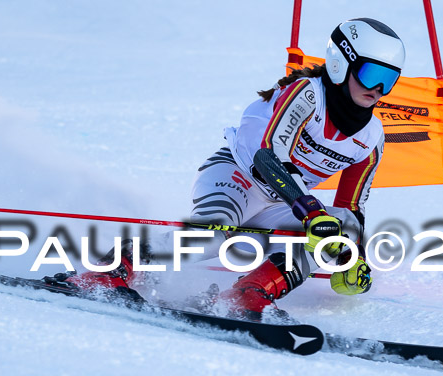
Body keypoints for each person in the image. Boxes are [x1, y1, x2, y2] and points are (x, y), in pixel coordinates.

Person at [64, 18, 407, 321]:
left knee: (342, 227)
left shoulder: (372, 136)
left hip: (283, 205)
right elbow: (268, 157)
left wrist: (353, 257)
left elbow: (352, 209)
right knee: (213, 237)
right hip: (237, 177)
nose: (377, 89)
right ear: (339, 64)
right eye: (371, 74)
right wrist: (311, 211)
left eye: (389, 79)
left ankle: (250, 293)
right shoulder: (306, 95)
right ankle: (112, 269)